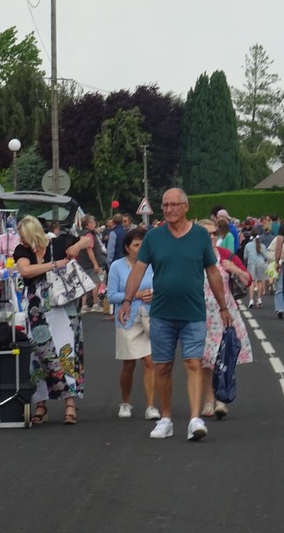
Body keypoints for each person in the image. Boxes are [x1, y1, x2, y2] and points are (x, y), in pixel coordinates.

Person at [118, 188, 232, 442]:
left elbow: (213, 272)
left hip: (193, 312)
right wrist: (127, 300)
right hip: (161, 313)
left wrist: (223, 307)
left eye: (173, 205)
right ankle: (166, 418)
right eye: (165, 205)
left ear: (185, 207)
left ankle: (194, 419)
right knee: (163, 367)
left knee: (193, 363)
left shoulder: (201, 236)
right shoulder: (154, 237)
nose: (168, 209)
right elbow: (138, 270)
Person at [14, 215, 83, 425]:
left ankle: (69, 403)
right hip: (36, 308)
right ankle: (40, 403)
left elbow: (87, 239)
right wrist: (55, 264)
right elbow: (25, 270)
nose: (21, 239)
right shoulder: (22, 250)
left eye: (24, 235)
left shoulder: (59, 242)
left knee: (67, 351)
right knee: (39, 354)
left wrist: (77, 246)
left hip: (63, 305)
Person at [196, 219, 253, 418]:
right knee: (205, 361)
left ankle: (221, 399)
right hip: (200, 315)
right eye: (206, 234)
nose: (211, 237)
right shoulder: (192, 257)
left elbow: (248, 280)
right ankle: (208, 400)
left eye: (213, 233)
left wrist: (234, 269)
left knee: (224, 356)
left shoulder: (225, 255)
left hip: (225, 313)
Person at [107, 228, 161, 420]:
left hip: (150, 316)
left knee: (149, 362)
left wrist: (154, 293)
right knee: (128, 364)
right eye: (136, 245)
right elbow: (111, 296)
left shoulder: (153, 265)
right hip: (127, 318)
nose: (140, 248)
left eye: (143, 244)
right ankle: (125, 402)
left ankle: (151, 405)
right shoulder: (116, 267)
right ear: (127, 248)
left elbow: (161, 285)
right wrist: (135, 295)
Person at [75, 214, 106, 314]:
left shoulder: (81, 233)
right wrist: (95, 264)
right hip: (89, 263)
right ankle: (95, 304)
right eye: (93, 222)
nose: (94, 224)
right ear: (88, 224)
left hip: (81, 262)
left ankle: (83, 306)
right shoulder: (89, 235)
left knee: (84, 284)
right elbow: (89, 250)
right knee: (96, 283)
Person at [243, 233, 268, 308]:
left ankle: (251, 300)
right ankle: (259, 299)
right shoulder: (262, 246)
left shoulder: (248, 245)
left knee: (251, 282)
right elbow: (266, 257)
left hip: (251, 264)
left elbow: (245, 256)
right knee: (260, 281)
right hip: (261, 264)